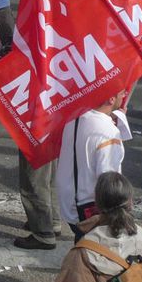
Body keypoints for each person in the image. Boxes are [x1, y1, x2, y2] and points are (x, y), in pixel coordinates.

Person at [55, 90, 129, 240]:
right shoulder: (108, 133)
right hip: (91, 207)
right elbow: (108, 181)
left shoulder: (74, 118)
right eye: (121, 92)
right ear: (111, 98)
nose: (125, 94)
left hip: (70, 202)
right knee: (96, 256)